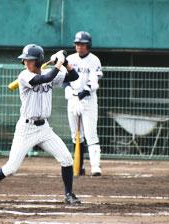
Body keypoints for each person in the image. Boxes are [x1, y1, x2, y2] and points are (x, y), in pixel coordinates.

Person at [0, 44, 81, 204]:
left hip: (44, 129)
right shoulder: (24, 76)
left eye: (30, 60)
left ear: (39, 61)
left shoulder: (48, 72)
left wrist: (64, 63)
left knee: (66, 159)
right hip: (26, 128)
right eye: (25, 60)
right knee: (11, 168)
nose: (26, 63)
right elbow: (45, 79)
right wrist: (58, 62)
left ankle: (69, 194)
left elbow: (74, 77)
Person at [62, 31, 103, 176]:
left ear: (88, 45)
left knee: (91, 134)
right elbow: (64, 77)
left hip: (88, 99)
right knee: (75, 134)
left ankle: (95, 166)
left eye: (82, 44)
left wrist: (82, 94)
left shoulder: (94, 60)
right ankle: (79, 166)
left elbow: (94, 82)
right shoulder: (70, 59)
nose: (79, 47)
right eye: (77, 44)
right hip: (73, 99)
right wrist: (68, 90)